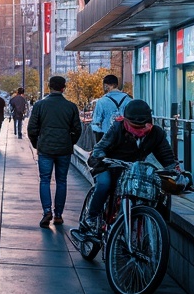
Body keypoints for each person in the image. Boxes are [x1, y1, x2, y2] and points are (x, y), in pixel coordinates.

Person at [82, 99, 178, 233]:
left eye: (143, 126)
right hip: (109, 165)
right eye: (134, 126)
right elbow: (101, 146)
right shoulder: (117, 128)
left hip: (135, 169)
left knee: (157, 192)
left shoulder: (156, 133)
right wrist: (100, 157)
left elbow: (167, 156)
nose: (139, 130)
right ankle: (91, 217)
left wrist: (175, 171)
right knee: (104, 184)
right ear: (126, 121)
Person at [27, 75, 82, 228]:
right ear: (63, 88)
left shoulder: (40, 105)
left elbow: (32, 128)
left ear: (49, 87)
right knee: (61, 181)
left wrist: (37, 143)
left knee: (44, 180)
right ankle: (58, 215)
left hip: (45, 148)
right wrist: (70, 142)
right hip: (64, 149)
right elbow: (77, 129)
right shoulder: (71, 106)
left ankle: (46, 211)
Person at [89, 74, 131, 144]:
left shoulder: (101, 102)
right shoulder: (129, 100)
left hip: (108, 139)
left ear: (106, 85)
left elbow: (96, 125)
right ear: (117, 85)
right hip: (125, 139)